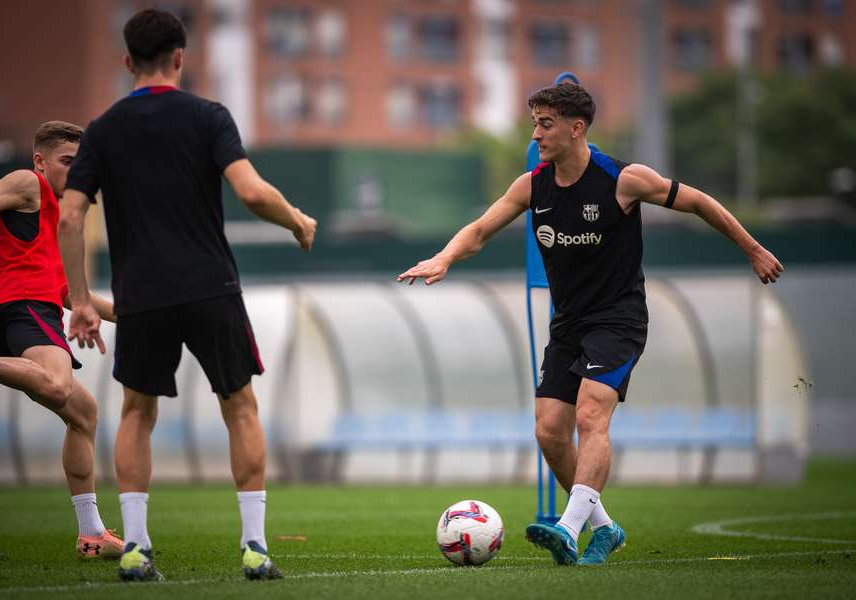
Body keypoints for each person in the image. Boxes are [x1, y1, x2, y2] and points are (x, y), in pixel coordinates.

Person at [398, 82, 783, 566]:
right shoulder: (532, 185)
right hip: (569, 324)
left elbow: (700, 202)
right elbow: (478, 231)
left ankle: (568, 527)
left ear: (576, 128)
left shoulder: (624, 179)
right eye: (535, 123)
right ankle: (605, 528)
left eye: (546, 124)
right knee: (549, 432)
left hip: (618, 319)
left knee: (589, 417)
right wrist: (444, 258)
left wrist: (753, 249)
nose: (536, 134)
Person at [58, 8, 317, 583]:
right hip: (209, 286)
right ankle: (254, 547)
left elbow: (70, 216)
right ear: (181, 57)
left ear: (127, 62)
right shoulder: (208, 117)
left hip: (140, 291)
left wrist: (79, 299)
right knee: (240, 406)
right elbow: (250, 191)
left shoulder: (101, 131)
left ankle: (136, 548)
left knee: (136, 411)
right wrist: (296, 221)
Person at [0, 121, 123, 559]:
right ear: (40, 162)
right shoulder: (28, 184)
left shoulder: (66, 218)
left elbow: (69, 294)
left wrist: (132, 316)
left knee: (84, 413)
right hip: (20, 307)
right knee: (58, 384)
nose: (77, 171)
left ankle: (91, 535)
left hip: (31, 312)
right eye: (68, 162)